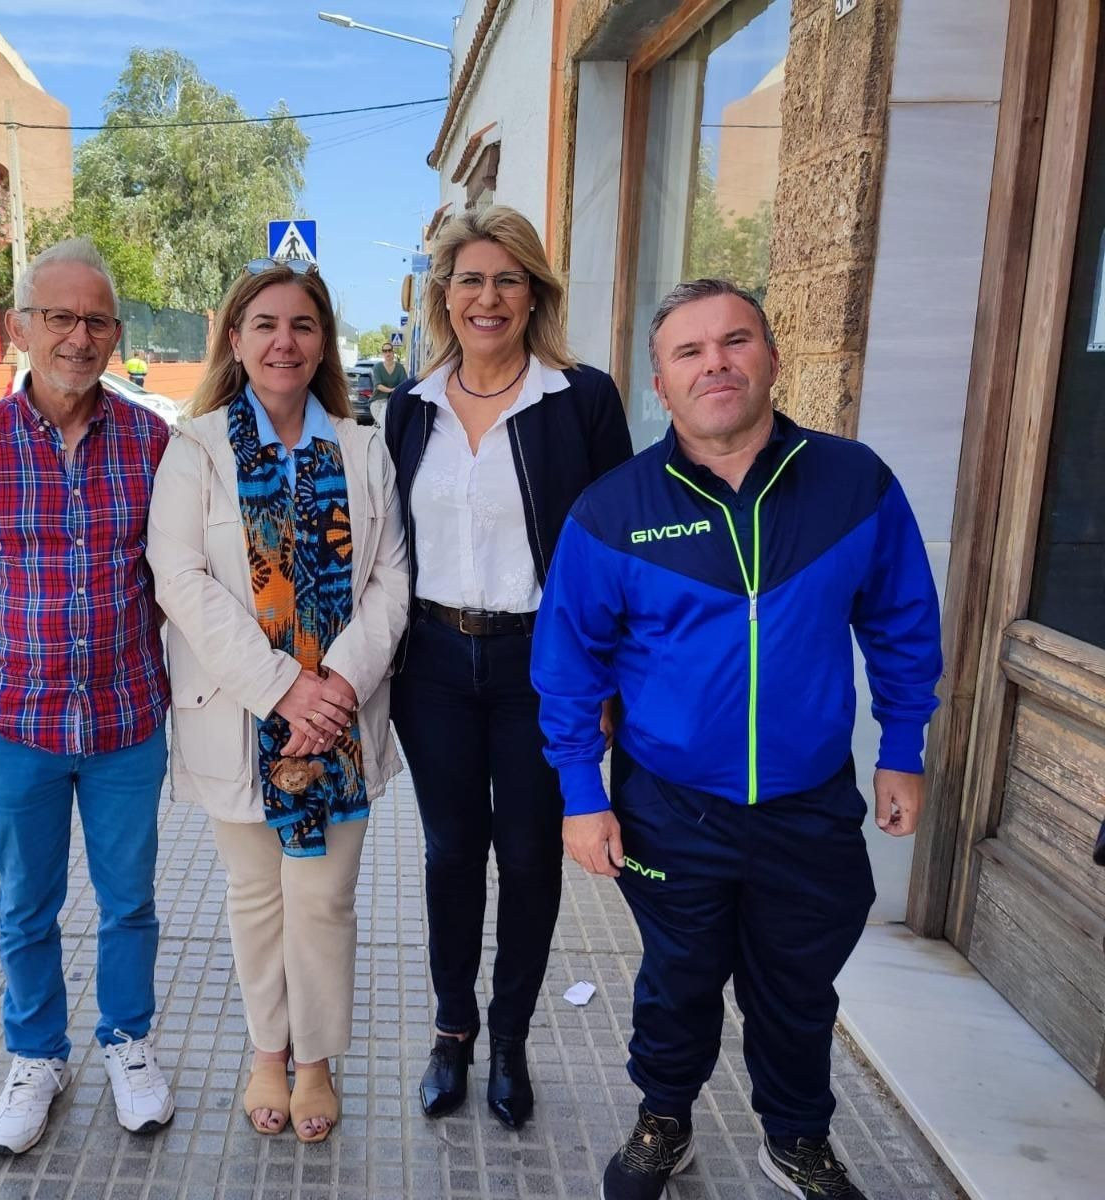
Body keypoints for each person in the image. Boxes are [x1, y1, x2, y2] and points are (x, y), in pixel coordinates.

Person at [531, 278, 942, 1200]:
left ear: (771, 356)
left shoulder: (855, 483)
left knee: (797, 990)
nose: (715, 363)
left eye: (735, 341)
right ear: (661, 382)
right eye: (689, 350)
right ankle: (664, 1120)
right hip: (671, 807)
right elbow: (568, 666)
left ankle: (796, 1137)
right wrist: (581, 794)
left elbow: (905, 622)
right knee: (677, 981)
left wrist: (903, 746)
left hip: (808, 802)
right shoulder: (613, 510)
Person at [0, 238, 177, 1155]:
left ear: (115, 335)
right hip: (15, 728)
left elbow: (183, 577)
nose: (77, 335)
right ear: (20, 326)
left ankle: (129, 1044)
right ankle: (36, 1058)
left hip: (127, 724)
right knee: (26, 905)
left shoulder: (153, 443)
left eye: (95, 319)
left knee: (129, 900)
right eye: (58, 316)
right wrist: (5, 669)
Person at [148, 259, 409, 1144]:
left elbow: (391, 579)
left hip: (337, 722)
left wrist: (333, 687)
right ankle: (268, 1051)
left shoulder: (363, 445)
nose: (283, 341)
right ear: (235, 338)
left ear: (324, 341)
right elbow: (178, 578)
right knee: (257, 895)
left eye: (302, 325)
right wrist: (281, 689)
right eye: (264, 324)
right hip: (243, 715)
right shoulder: (197, 449)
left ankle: (316, 1061)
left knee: (324, 899)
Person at [383, 206, 632, 1130]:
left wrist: (608, 681)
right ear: (444, 295)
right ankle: (453, 1031)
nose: (488, 298)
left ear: (535, 295)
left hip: (546, 661)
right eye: (471, 280)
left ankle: (513, 1035)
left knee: (530, 856)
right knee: (453, 853)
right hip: (434, 662)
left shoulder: (581, 399)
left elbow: (619, 553)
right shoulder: (409, 408)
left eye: (508, 280)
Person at [370, 340, 407, 424]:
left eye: (389, 350)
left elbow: (404, 384)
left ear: (393, 352)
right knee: (383, 423)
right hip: (378, 401)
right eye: (385, 351)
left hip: (394, 401)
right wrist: (392, 390)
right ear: (382, 353)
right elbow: (378, 385)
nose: (387, 353)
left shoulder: (400, 367)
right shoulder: (377, 367)